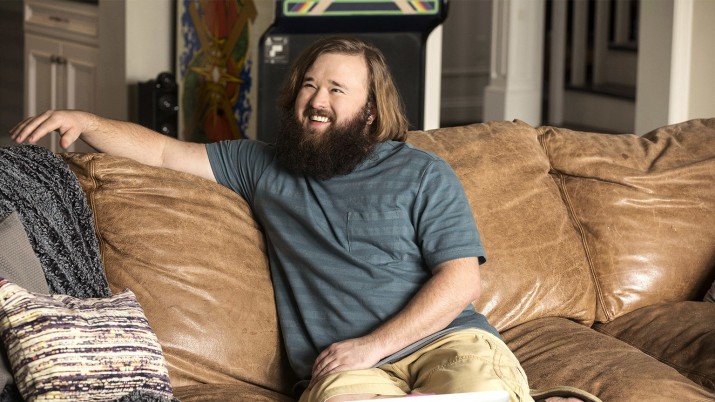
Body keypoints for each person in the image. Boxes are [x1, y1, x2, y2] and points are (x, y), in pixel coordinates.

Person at [10, 37, 589, 402]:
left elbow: (461, 281)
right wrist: (85, 121)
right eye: (310, 84)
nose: (317, 99)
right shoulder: (261, 165)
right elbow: (163, 152)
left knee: (479, 389)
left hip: (447, 343)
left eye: (337, 89)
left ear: (370, 111)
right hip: (344, 372)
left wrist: (372, 345)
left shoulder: (422, 173)